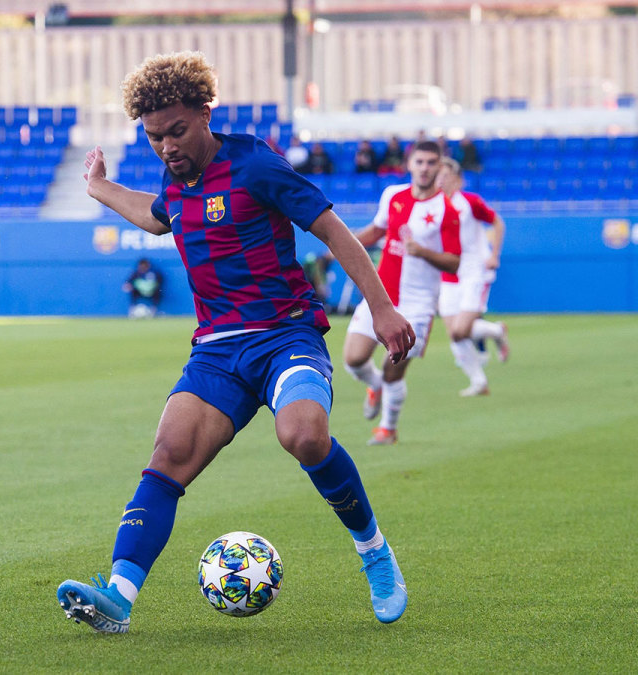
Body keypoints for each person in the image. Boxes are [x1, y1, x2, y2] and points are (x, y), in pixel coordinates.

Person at [56, 52, 415, 634]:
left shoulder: (256, 164)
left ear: (205, 111)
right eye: (154, 137)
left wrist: (381, 307)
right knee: (168, 455)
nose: (167, 147)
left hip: (285, 335)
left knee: (303, 434)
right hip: (217, 351)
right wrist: (98, 187)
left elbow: (332, 230)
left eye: (176, 131)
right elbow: (158, 216)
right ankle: (118, 598)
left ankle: (373, 550)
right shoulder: (175, 177)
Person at [342, 140, 461, 445]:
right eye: (419, 162)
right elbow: (377, 230)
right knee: (353, 359)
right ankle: (375, 386)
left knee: (393, 366)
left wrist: (422, 252)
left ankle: (388, 429)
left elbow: (454, 261)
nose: (424, 168)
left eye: (431, 163)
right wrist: (342, 246)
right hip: (381, 294)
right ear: (409, 164)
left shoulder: (446, 210)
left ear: (439, 166)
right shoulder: (392, 195)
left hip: (418, 302)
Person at [435, 158, 509, 396]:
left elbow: (498, 223)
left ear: (457, 180)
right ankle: (479, 380)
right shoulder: (432, 205)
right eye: (438, 176)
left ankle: (495, 333)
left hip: (473, 270)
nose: (440, 180)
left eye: (445, 176)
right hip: (448, 273)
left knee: (460, 330)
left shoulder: (470, 202)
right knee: (454, 334)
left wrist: (494, 254)